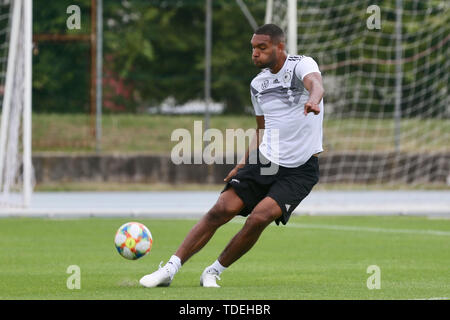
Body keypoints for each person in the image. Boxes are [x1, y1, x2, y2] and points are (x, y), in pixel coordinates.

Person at [139, 23, 325, 288]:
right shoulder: (258, 84)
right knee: (221, 209)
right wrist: (243, 162)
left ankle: (213, 271)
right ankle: (169, 269)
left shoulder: (301, 65)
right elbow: (262, 128)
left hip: (300, 169)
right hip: (265, 160)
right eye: (253, 48)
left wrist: (314, 100)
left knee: (259, 217)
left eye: (262, 47)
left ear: (279, 47)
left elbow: (316, 84)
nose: (255, 54)